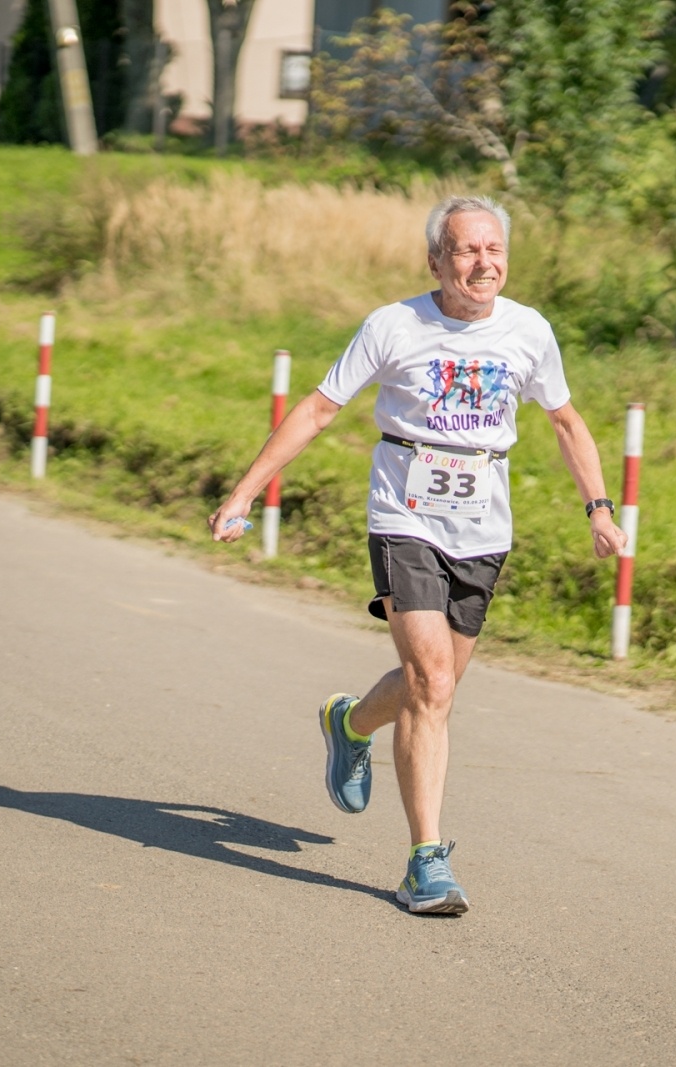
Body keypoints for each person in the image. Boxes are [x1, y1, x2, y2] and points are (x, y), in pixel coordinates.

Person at [208, 195, 625, 915]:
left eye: (493, 249)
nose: (483, 263)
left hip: (483, 527)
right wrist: (245, 492)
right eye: (466, 250)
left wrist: (599, 508)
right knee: (430, 681)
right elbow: (319, 408)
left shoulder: (528, 330)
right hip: (403, 515)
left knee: (436, 685)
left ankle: (349, 723)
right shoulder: (393, 325)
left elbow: (564, 420)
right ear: (435, 260)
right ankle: (425, 861)